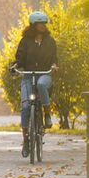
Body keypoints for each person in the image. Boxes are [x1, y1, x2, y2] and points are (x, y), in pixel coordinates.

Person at [12, 11, 58, 157]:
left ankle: (47, 114)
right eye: (40, 23)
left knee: (42, 85)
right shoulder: (25, 41)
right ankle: (26, 139)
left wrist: (55, 65)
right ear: (33, 25)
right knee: (25, 107)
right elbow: (19, 58)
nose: (43, 26)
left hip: (45, 74)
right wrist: (15, 66)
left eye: (44, 23)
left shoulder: (50, 41)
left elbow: (54, 58)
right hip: (28, 76)